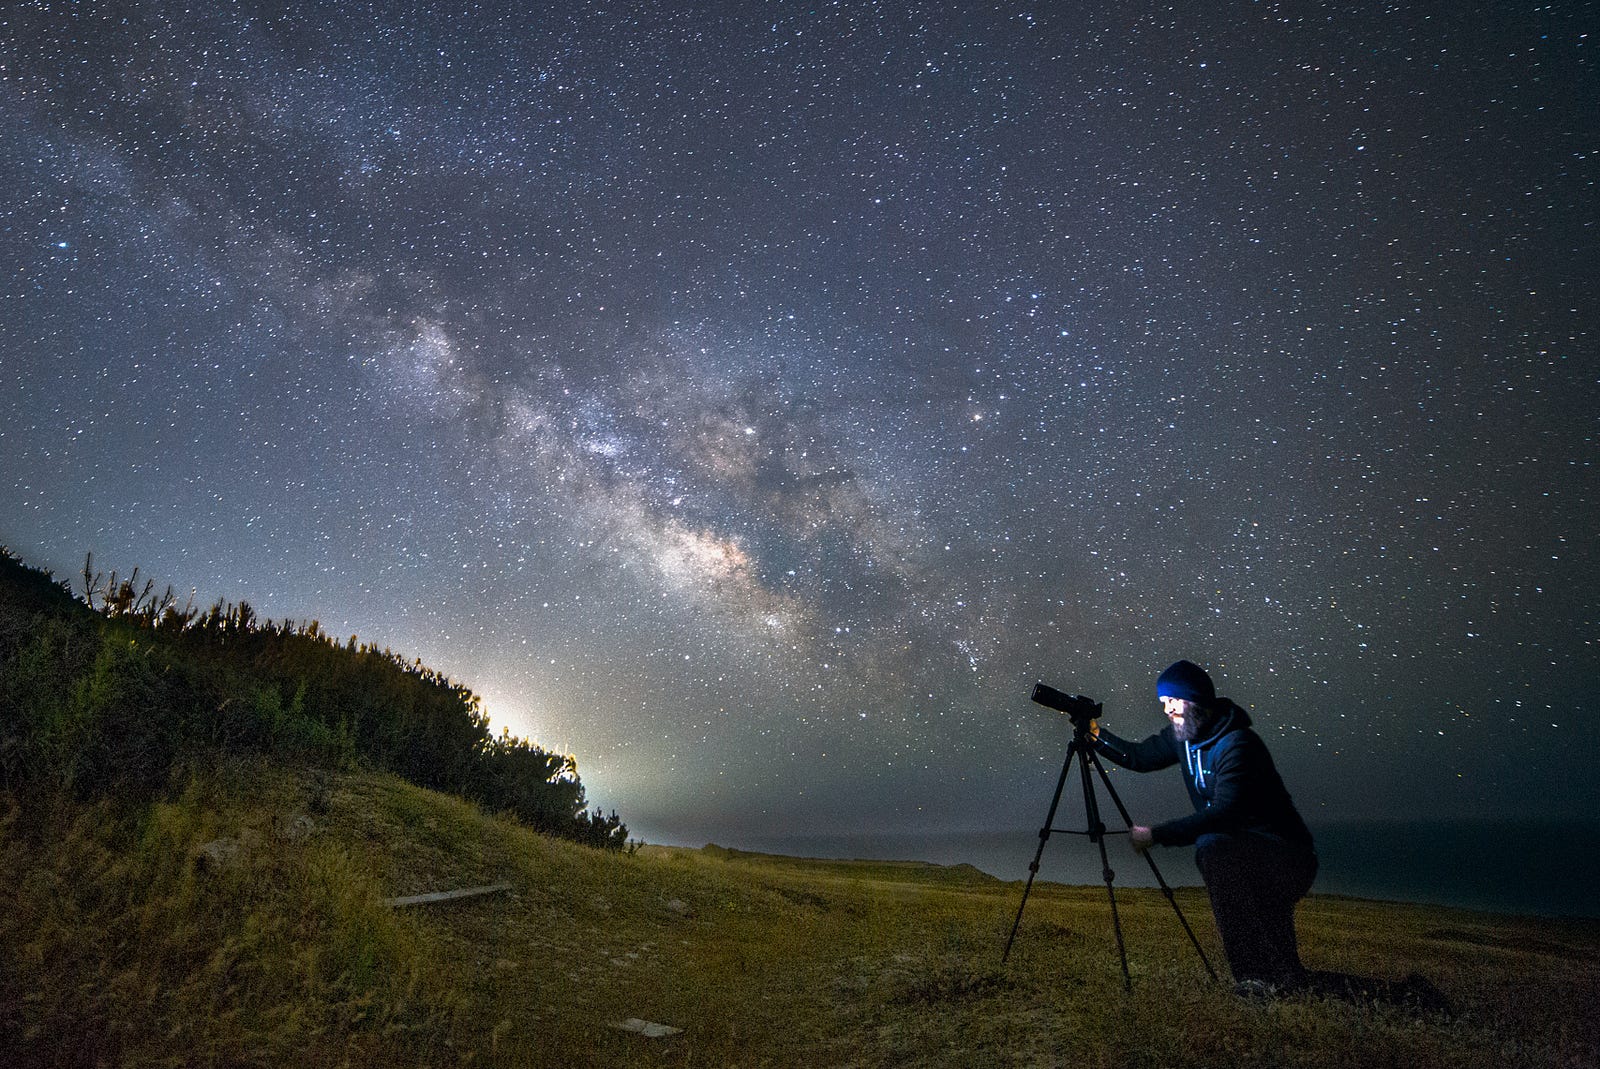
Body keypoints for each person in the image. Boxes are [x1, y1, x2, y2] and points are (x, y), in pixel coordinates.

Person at [1092, 659, 1317, 995]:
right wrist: (1096, 735)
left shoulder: (1238, 745)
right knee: (1289, 976)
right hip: (1245, 852)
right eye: (1162, 702)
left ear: (1195, 698)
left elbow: (1224, 814)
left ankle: (1252, 979)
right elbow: (1139, 757)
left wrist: (1156, 835)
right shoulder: (1183, 737)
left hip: (1286, 857)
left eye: (1172, 700)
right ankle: (1407, 994)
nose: (1166, 709)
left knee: (1213, 847)